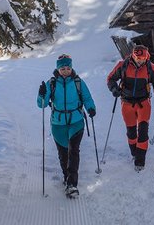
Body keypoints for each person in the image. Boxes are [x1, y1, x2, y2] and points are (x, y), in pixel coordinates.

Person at [37, 54, 96, 198]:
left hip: (76, 121)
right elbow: (41, 104)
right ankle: (66, 177)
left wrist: (91, 108)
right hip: (58, 124)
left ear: (71, 68)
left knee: (73, 151)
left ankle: (72, 184)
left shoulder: (78, 82)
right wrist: (41, 94)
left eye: (68, 68)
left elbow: (87, 97)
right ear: (58, 69)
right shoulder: (51, 83)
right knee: (63, 154)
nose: (65, 71)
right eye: (62, 68)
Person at [107, 44, 154, 171]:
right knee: (131, 132)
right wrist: (114, 89)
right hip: (126, 103)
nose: (140, 61)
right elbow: (110, 79)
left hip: (144, 104)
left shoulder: (150, 68)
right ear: (133, 55)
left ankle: (140, 160)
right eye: (138, 58)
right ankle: (134, 152)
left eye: (142, 59)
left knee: (143, 132)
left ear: (146, 57)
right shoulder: (123, 65)